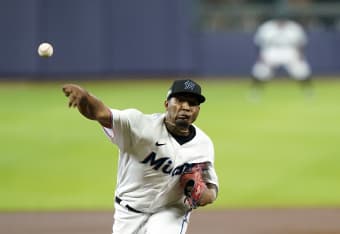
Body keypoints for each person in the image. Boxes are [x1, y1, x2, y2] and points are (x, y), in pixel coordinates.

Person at [62, 79, 219, 234]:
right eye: (179, 101)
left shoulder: (203, 144)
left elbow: (211, 189)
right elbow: (100, 113)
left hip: (170, 211)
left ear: (198, 109)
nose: (185, 107)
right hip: (129, 211)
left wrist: (202, 194)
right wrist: (85, 97)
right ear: (166, 104)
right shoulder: (140, 125)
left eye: (192, 103)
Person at [250, 17, 313, 97]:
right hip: (272, 51)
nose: (281, 21)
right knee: (261, 70)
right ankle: (255, 91)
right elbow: (259, 43)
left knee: (301, 69)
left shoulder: (294, 27)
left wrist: (300, 54)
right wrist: (260, 55)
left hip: (289, 50)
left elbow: (301, 43)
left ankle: (308, 90)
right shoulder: (267, 27)